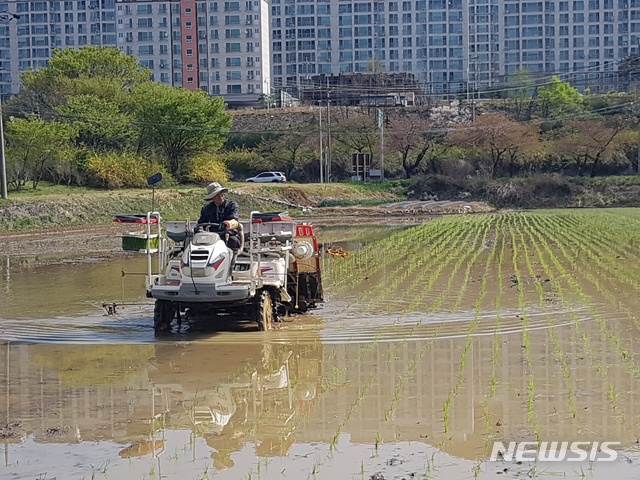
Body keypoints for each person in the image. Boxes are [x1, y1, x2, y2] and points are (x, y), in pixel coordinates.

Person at [197, 182, 241, 251]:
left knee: (233, 241)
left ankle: (231, 260)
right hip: (212, 236)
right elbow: (202, 223)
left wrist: (226, 224)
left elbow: (235, 220)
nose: (220, 196)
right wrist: (199, 228)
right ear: (212, 197)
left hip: (229, 234)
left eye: (221, 193)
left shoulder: (232, 205)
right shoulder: (207, 209)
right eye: (216, 195)